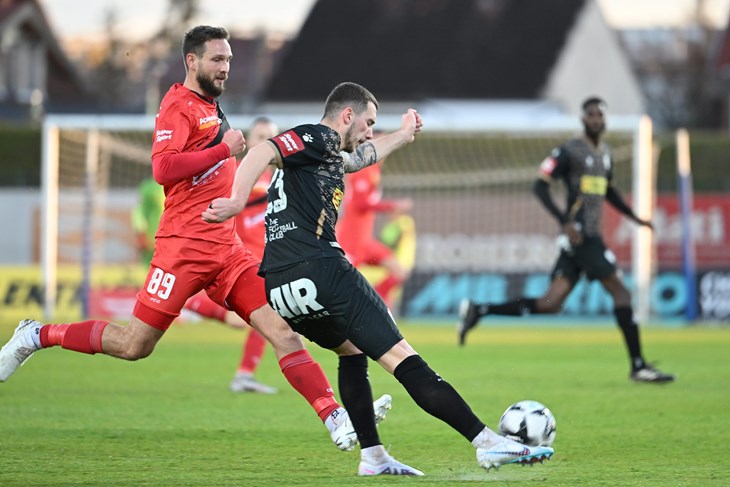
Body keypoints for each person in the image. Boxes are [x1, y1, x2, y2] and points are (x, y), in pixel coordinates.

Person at [0, 26, 391, 455]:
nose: (225, 68)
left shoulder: (212, 106)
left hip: (227, 250)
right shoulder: (176, 106)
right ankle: (37, 334)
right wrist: (224, 150)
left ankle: (335, 417)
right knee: (134, 345)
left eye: (228, 60)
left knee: (281, 330)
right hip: (182, 249)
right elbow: (163, 170)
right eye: (217, 60)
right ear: (192, 61)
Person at [202, 81, 554, 474]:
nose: (371, 131)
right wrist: (235, 200)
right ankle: (486, 442)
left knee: (351, 353)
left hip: (281, 286)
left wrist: (402, 136)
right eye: (368, 122)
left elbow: (360, 158)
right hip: (321, 269)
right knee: (402, 357)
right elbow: (263, 151)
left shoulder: (322, 154)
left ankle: (373, 456)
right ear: (346, 115)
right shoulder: (316, 134)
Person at [457, 96, 676, 385]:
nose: (597, 120)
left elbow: (608, 191)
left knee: (551, 303)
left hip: (586, 239)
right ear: (583, 119)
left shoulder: (605, 154)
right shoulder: (569, 151)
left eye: (601, 115)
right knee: (622, 294)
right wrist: (565, 221)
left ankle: (480, 309)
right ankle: (638, 366)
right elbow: (540, 185)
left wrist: (635, 217)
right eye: (591, 115)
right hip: (583, 238)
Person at [183, 116, 280, 394]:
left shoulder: (271, 178)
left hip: (266, 261)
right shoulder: (240, 174)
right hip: (242, 260)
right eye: (261, 136)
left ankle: (244, 374)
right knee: (259, 319)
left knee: (268, 320)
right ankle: (191, 303)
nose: (267, 142)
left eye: (272, 137)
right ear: (249, 141)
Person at [337, 151, 413, 310]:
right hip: (350, 243)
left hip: (365, 242)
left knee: (399, 271)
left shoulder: (374, 171)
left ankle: (376, 302)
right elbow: (360, 203)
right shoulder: (363, 170)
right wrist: (392, 206)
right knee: (339, 289)